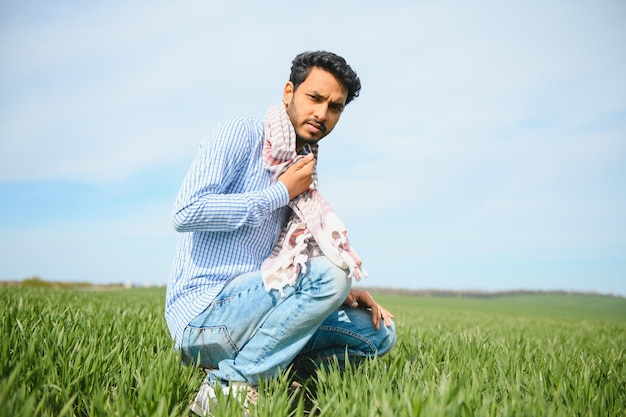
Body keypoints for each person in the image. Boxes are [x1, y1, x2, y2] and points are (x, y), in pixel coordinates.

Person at [165, 50, 396, 416]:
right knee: (332, 274)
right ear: (289, 92)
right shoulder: (243, 134)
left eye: (335, 107)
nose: (322, 113)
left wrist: (340, 295)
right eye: (315, 98)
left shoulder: (300, 165)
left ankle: (275, 374)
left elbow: (292, 260)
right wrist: (279, 193)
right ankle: (229, 387)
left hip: (255, 310)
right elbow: (186, 212)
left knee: (377, 332)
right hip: (203, 318)